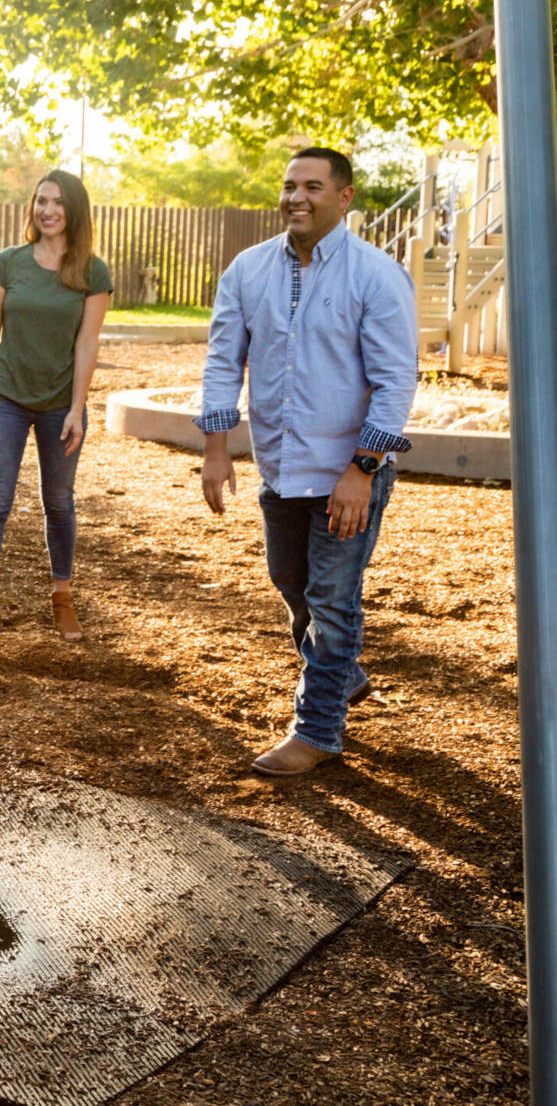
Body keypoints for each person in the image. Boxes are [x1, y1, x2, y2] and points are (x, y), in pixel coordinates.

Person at [197, 146, 418, 776]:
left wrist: (361, 470)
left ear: (344, 198)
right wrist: (216, 448)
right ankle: (341, 673)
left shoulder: (376, 275)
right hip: (281, 466)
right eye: (290, 185)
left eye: (312, 186)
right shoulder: (248, 269)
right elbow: (223, 361)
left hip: (349, 471)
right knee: (291, 583)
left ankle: (317, 731)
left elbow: (396, 381)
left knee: (331, 599)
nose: (296, 197)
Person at [0, 169, 113, 655]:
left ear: (74, 210)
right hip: (7, 399)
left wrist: (77, 408)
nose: (48, 210)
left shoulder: (92, 272)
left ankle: (62, 598)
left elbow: (87, 344)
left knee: (59, 503)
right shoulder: (9, 263)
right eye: (42, 201)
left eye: (58, 202)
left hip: (60, 404)